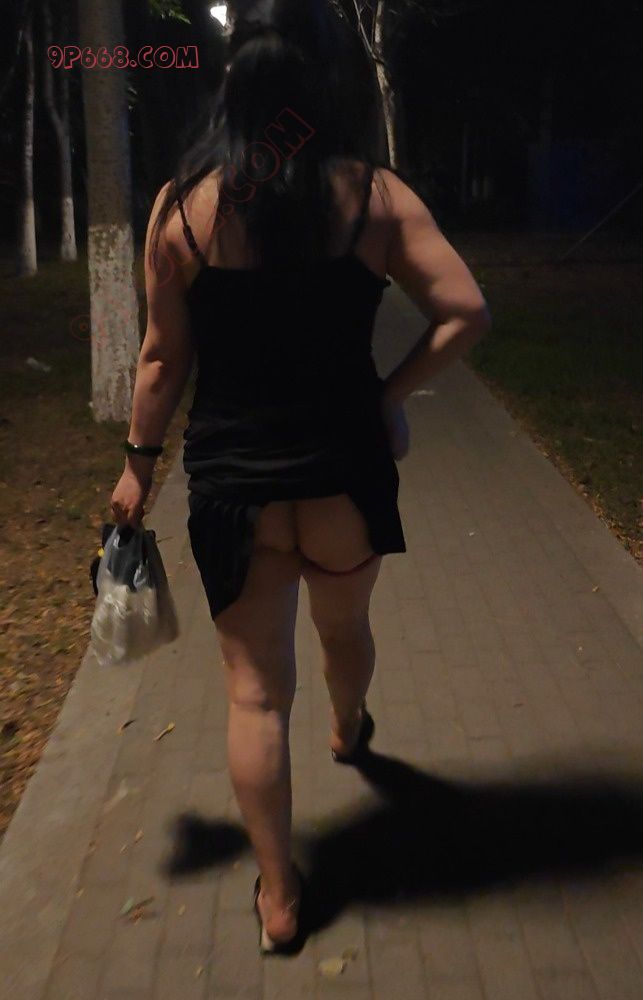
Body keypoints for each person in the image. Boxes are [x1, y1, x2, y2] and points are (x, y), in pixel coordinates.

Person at [109, 0, 491, 956]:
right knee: (344, 630)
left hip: (232, 489)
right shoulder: (372, 197)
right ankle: (351, 726)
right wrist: (385, 394)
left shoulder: (182, 208)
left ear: (231, 87)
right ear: (326, 84)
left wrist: (137, 470)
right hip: (340, 478)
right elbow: (464, 311)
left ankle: (279, 898)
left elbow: (160, 360)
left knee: (253, 696)